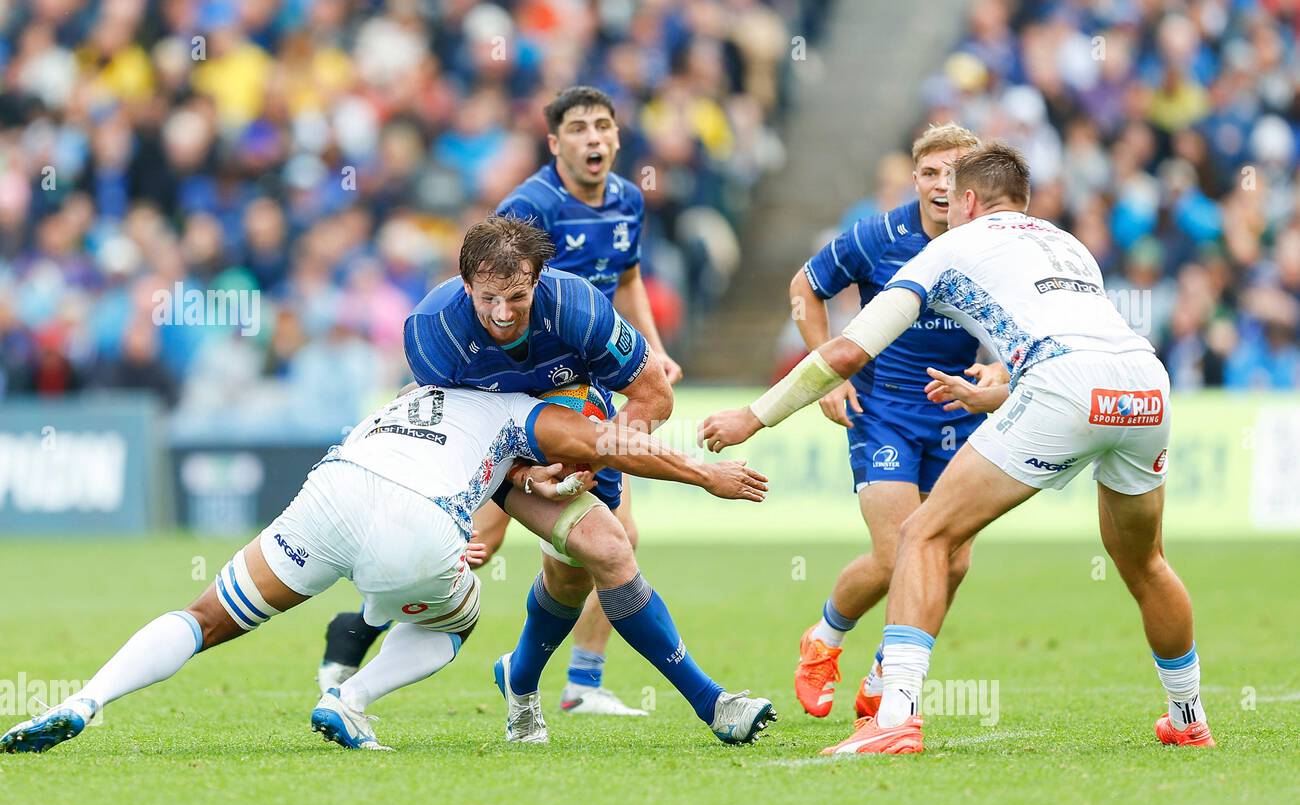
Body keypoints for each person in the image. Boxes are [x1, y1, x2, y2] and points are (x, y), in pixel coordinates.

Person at [699, 142, 1213, 754]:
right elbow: (1071, 351)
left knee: (923, 537)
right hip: (1145, 384)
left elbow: (847, 353)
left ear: (968, 200)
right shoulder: (1066, 244)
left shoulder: (948, 245)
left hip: (1061, 385)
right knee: (1145, 561)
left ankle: (895, 717)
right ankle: (1188, 718)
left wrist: (752, 418)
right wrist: (995, 398)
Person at [2, 383, 773, 755]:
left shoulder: (421, 390)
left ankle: (85, 699)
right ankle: (353, 696)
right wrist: (706, 475)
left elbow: (512, 478)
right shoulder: (519, 413)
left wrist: (527, 484)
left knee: (207, 617)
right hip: (409, 524)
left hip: (331, 489)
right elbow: (609, 446)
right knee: (461, 614)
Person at [317, 87, 680, 718]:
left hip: (591, 372)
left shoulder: (626, 200)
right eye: (578, 129)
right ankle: (363, 625)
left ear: (617, 137)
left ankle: (581, 682)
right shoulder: (532, 206)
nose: (593, 139)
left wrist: (650, 348)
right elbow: (496, 291)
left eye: (603, 127)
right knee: (475, 538)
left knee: (617, 533)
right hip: (524, 382)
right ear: (555, 142)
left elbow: (627, 278)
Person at [787, 122, 1000, 722]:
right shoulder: (880, 235)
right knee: (898, 551)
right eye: (930, 173)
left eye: (953, 173)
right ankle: (824, 641)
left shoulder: (985, 244)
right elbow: (805, 286)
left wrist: (995, 371)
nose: (941, 184)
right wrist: (826, 370)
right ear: (915, 178)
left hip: (956, 412)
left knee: (953, 558)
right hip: (881, 412)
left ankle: (887, 670)